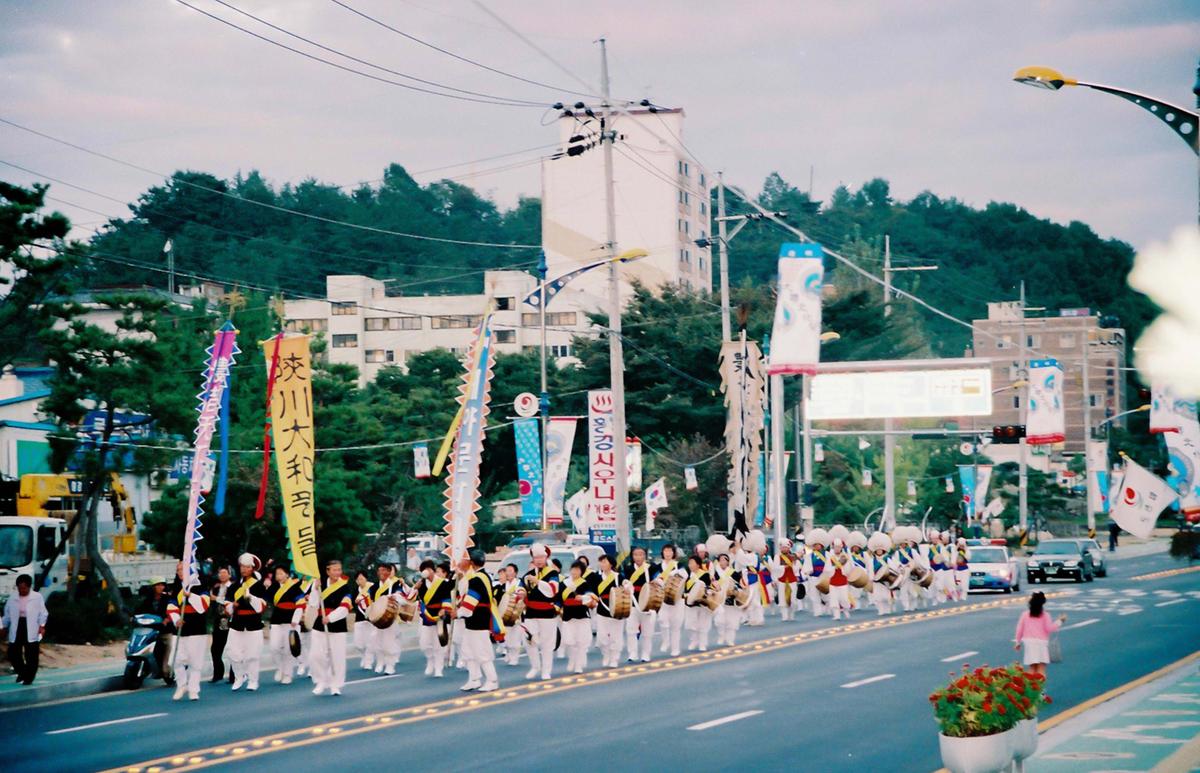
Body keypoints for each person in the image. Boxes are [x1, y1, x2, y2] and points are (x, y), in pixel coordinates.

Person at [455, 549, 500, 692]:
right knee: (468, 651)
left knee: (482, 652)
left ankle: (492, 680)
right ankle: (474, 679)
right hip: (476, 620)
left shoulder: (476, 579)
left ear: (471, 563)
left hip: (478, 619)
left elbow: (469, 605)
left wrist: (457, 613)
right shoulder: (484, 576)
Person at [166, 561, 210, 701]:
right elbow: (171, 605)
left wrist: (190, 596)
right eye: (178, 570)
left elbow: (204, 605)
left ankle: (193, 689)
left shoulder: (199, 584)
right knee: (175, 660)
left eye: (182, 569)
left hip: (197, 628)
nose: (179, 572)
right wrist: (176, 618)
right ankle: (181, 685)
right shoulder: (175, 587)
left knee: (195, 662)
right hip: (180, 627)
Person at [310, 559, 353, 696]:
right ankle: (321, 681)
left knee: (337, 657)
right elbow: (313, 603)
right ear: (328, 571)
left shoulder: (345, 586)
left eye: (339, 570)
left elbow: (345, 608)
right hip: (319, 624)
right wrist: (314, 589)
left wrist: (331, 618)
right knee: (316, 655)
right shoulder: (320, 584)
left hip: (337, 624)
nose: (337, 572)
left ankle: (336, 684)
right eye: (334, 570)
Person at [226, 553, 267, 692]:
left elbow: (261, 607)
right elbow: (227, 606)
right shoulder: (233, 586)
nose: (244, 569)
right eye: (242, 566)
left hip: (253, 623)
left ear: (252, 569)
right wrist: (233, 606)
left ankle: (253, 680)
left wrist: (250, 598)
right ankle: (239, 677)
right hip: (237, 622)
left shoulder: (259, 586)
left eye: (247, 567)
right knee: (233, 652)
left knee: (252, 654)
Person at [521, 543, 560, 681]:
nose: (538, 560)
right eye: (536, 557)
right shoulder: (528, 574)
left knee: (547, 644)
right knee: (529, 639)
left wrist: (537, 582)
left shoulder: (553, 573)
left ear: (546, 557)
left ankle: (546, 670)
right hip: (531, 612)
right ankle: (535, 666)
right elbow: (521, 588)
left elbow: (553, 590)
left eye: (541, 557)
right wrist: (520, 593)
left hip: (547, 612)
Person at [1, 574, 48, 685]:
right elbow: (7, 614)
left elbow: (43, 613)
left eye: (24, 588)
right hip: (17, 626)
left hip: (32, 626)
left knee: (31, 654)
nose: (22, 590)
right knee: (13, 652)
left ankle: (29, 677)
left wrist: (42, 626)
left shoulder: (37, 597)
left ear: (29, 587)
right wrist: (3, 626)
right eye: (19, 588)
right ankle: (22, 672)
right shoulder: (13, 598)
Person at [365, 562, 408, 675]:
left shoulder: (395, 585)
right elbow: (372, 603)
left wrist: (395, 597)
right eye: (380, 570)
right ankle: (380, 662)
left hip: (390, 618)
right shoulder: (373, 587)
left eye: (384, 570)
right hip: (377, 619)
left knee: (389, 642)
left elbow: (403, 598)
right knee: (376, 641)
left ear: (389, 572)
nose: (382, 573)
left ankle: (390, 665)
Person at [267, 565, 306, 684]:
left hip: (291, 621)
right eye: (277, 574)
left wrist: (296, 619)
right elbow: (264, 599)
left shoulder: (295, 588)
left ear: (287, 574)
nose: (278, 576)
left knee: (288, 650)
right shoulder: (273, 587)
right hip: (276, 619)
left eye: (281, 573)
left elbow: (301, 604)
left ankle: (288, 674)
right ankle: (280, 668)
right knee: (274, 647)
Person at [413, 560, 452, 677]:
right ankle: (430, 661)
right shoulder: (421, 585)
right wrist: (415, 588)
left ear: (431, 570)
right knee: (425, 643)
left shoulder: (443, 583)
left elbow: (447, 599)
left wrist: (444, 609)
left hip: (439, 617)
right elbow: (415, 599)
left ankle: (438, 667)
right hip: (427, 616)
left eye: (427, 570)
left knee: (438, 643)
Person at [1015, 591, 1066, 677]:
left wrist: (1018, 642)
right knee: (1041, 667)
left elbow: (1020, 628)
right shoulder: (1045, 615)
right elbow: (1049, 628)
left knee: (1032, 667)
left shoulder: (1025, 614)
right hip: (1041, 642)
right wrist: (1060, 621)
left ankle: (1030, 688)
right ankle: (1040, 689)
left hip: (1029, 642)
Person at [622, 546, 658, 663]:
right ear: (632, 556)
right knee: (631, 629)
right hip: (632, 602)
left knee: (647, 631)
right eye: (636, 555)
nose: (638, 557)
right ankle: (632, 653)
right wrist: (626, 585)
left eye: (641, 554)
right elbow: (623, 580)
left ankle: (646, 653)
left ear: (645, 556)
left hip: (647, 602)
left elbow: (659, 577)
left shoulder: (651, 567)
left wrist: (657, 581)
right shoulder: (628, 568)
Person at [558, 560, 593, 674]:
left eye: (578, 570)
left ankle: (578, 664)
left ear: (581, 572)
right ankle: (572, 660)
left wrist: (582, 597)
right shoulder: (563, 583)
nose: (574, 571)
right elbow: (558, 598)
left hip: (581, 614)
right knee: (569, 641)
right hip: (568, 615)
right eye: (573, 569)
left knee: (581, 641)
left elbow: (589, 595)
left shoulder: (584, 583)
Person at [592, 554, 624, 668]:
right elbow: (592, 592)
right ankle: (606, 654)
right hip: (601, 610)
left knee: (616, 635)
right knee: (602, 637)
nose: (602, 564)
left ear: (611, 563)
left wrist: (627, 585)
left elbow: (625, 586)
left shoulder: (617, 576)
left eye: (605, 562)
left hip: (616, 609)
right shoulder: (596, 577)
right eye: (601, 562)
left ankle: (614, 658)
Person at [657, 543, 687, 657]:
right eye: (666, 551)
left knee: (676, 624)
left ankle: (675, 648)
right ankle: (666, 641)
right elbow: (654, 579)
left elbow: (685, 575)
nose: (668, 553)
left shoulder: (679, 565)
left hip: (677, 598)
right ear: (662, 553)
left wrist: (673, 572)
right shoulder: (657, 566)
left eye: (670, 551)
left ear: (673, 553)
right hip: (663, 598)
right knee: (662, 620)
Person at [683, 555, 713, 652]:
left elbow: (708, 588)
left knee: (703, 624)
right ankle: (694, 641)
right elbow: (684, 589)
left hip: (702, 603)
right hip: (691, 604)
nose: (690, 565)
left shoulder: (705, 575)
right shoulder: (687, 576)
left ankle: (703, 643)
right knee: (691, 624)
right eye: (689, 563)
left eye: (692, 562)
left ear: (698, 564)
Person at [712, 554, 744, 646]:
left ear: (728, 562)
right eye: (721, 560)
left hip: (731, 600)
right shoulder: (715, 573)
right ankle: (721, 635)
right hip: (719, 600)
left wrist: (735, 589)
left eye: (724, 560)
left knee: (732, 621)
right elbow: (711, 586)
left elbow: (741, 584)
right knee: (719, 621)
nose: (723, 562)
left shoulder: (733, 572)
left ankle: (730, 639)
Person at [209, 565, 233, 683]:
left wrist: (216, 599)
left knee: (231, 647)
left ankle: (234, 675)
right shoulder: (216, 587)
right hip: (218, 619)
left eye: (225, 573)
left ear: (229, 575)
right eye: (220, 573)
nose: (222, 575)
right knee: (215, 649)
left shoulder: (233, 587)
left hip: (228, 619)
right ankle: (218, 673)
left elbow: (231, 601)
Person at [802, 529, 831, 617]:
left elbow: (829, 565)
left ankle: (827, 607)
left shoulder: (827, 554)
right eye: (814, 545)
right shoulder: (809, 555)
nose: (816, 546)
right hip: (813, 577)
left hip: (824, 577)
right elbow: (806, 566)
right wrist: (807, 572)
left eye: (817, 545)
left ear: (821, 545)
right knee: (814, 596)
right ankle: (817, 611)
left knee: (825, 595)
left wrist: (827, 573)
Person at [352, 570, 373, 671]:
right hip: (359, 619)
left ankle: (368, 661)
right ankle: (363, 656)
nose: (360, 580)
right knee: (358, 643)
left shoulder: (371, 588)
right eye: (358, 579)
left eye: (362, 578)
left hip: (370, 619)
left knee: (369, 642)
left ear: (366, 578)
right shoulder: (355, 590)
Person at [826, 540, 852, 621]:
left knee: (844, 598)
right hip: (833, 582)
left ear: (841, 548)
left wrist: (842, 567)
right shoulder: (830, 558)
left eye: (838, 547)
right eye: (835, 547)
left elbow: (849, 569)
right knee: (834, 598)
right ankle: (836, 615)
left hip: (843, 581)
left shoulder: (845, 557)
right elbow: (827, 569)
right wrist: (834, 568)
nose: (837, 549)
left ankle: (846, 609)